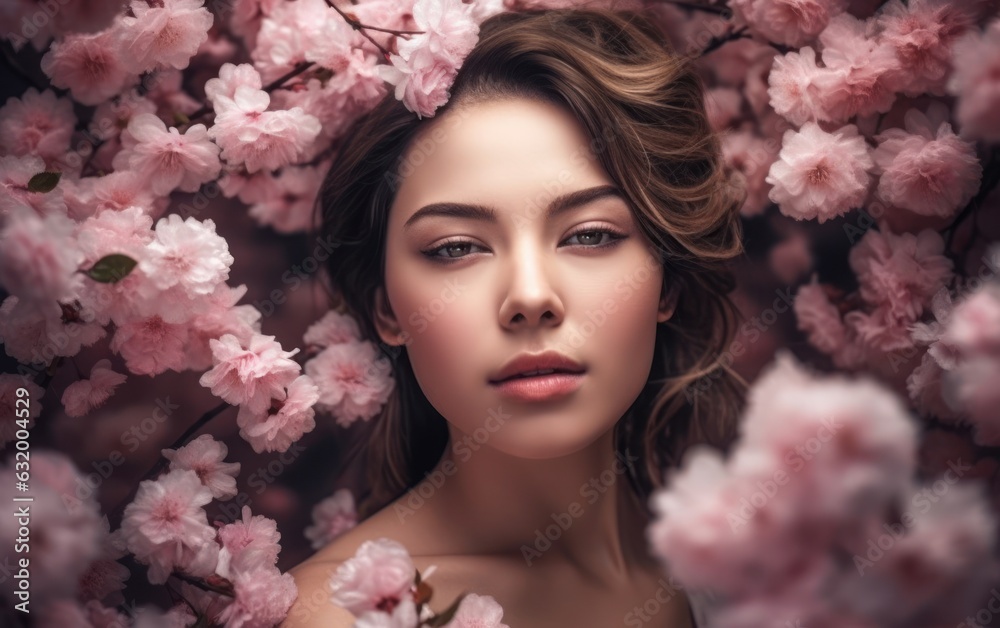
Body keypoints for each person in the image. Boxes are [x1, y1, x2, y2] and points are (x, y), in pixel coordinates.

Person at [282, 7, 746, 627]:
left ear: (667, 278)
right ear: (386, 308)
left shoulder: (755, 567)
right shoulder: (339, 617)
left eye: (589, 236)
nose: (530, 296)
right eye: (455, 248)